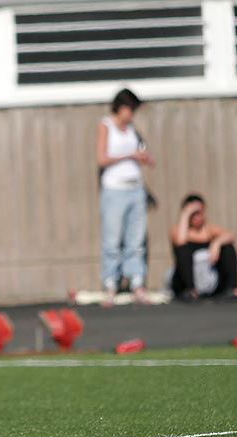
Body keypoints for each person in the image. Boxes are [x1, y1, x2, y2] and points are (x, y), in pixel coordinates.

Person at [96, 88, 155, 306]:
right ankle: (111, 284)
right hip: (114, 189)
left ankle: (137, 283)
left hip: (135, 188)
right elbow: (101, 158)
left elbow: (137, 151)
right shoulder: (106, 125)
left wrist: (143, 158)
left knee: (136, 239)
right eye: (130, 109)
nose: (131, 115)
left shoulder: (131, 129)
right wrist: (128, 155)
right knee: (112, 240)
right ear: (122, 107)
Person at [169, 194, 237, 302]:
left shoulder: (209, 229)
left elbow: (230, 235)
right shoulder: (178, 231)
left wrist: (216, 243)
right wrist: (186, 214)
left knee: (227, 246)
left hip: (210, 280)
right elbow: (180, 242)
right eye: (193, 214)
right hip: (185, 281)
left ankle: (232, 288)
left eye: (199, 213)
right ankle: (191, 291)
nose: (196, 217)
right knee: (182, 249)